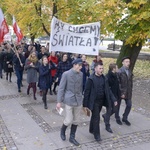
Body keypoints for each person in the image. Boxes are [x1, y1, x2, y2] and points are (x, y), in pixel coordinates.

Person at [83, 62, 116, 142]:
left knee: (95, 116)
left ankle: (91, 129)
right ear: (95, 69)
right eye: (100, 68)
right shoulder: (91, 79)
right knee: (97, 117)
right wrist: (85, 105)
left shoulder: (104, 78)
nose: (101, 70)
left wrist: (114, 99)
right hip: (94, 102)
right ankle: (97, 135)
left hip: (101, 101)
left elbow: (108, 90)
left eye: (102, 68)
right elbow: (86, 92)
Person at [56, 58, 83, 146]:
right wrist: (59, 101)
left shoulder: (81, 74)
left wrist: (82, 98)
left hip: (78, 100)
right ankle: (62, 130)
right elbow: (61, 88)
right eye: (79, 65)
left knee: (76, 120)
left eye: (81, 65)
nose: (80, 67)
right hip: (69, 100)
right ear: (74, 65)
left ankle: (72, 137)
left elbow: (81, 88)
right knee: (68, 120)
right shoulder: (66, 74)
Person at [102, 63, 119, 133]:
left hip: (115, 96)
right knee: (109, 111)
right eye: (117, 67)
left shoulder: (116, 75)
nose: (118, 69)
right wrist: (113, 98)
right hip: (109, 97)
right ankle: (107, 125)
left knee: (115, 109)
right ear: (113, 69)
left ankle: (105, 116)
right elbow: (108, 89)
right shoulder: (107, 77)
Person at [116, 57, 133, 126]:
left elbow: (130, 81)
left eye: (128, 62)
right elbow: (118, 83)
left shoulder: (129, 71)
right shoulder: (119, 71)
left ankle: (125, 118)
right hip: (121, 92)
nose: (128, 63)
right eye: (126, 62)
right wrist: (121, 93)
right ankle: (117, 118)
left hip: (128, 92)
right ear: (123, 62)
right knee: (117, 106)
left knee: (129, 105)